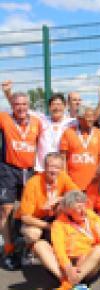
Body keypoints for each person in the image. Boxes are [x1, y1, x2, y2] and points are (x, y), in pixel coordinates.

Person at [35, 190, 100, 290]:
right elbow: (59, 249)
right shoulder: (58, 224)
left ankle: (62, 289)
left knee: (99, 250)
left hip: (87, 264)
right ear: (68, 210)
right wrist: (67, 267)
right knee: (39, 245)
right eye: (78, 208)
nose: (83, 210)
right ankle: (74, 285)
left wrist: (88, 253)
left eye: (84, 206)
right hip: (65, 266)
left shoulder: (92, 217)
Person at [17, 152, 78, 274]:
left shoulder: (63, 177)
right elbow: (25, 218)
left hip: (52, 217)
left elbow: (77, 195)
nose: (54, 170)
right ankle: (26, 248)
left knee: (68, 205)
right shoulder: (32, 183)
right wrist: (49, 227)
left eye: (58, 167)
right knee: (34, 233)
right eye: (51, 166)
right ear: (45, 167)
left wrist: (59, 199)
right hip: (34, 219)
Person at [0, 92, 42, 269]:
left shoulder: (37, 122)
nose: (21, 107)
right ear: (12, 106)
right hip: (8, 168)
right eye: (17, 104)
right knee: (6, 209)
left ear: (28, 105)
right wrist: (7, 92)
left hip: (29, 171)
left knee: (28, 212)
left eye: (24, 104)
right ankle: (8, 249)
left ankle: (27, 248)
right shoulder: (4, 118)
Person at [60, 105, 100, 191]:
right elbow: (63, 158)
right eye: (88, 117)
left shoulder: (98, 133)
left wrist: (98, 176)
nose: (91, 119)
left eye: (92, 116)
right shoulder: (68, 132)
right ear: (79, 118)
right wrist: (65, 179)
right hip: (73, 183)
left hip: (93, 183)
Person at [35, 94, 75, 173]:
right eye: (53, 104)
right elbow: (22, 108)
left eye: (59, 104)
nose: (56, 108)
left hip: (62, 170)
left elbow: (91, 118)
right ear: (49, 107)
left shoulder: (72, 122)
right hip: (42, 169)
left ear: (65, 106)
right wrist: (8, 92)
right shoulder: (42, 119)